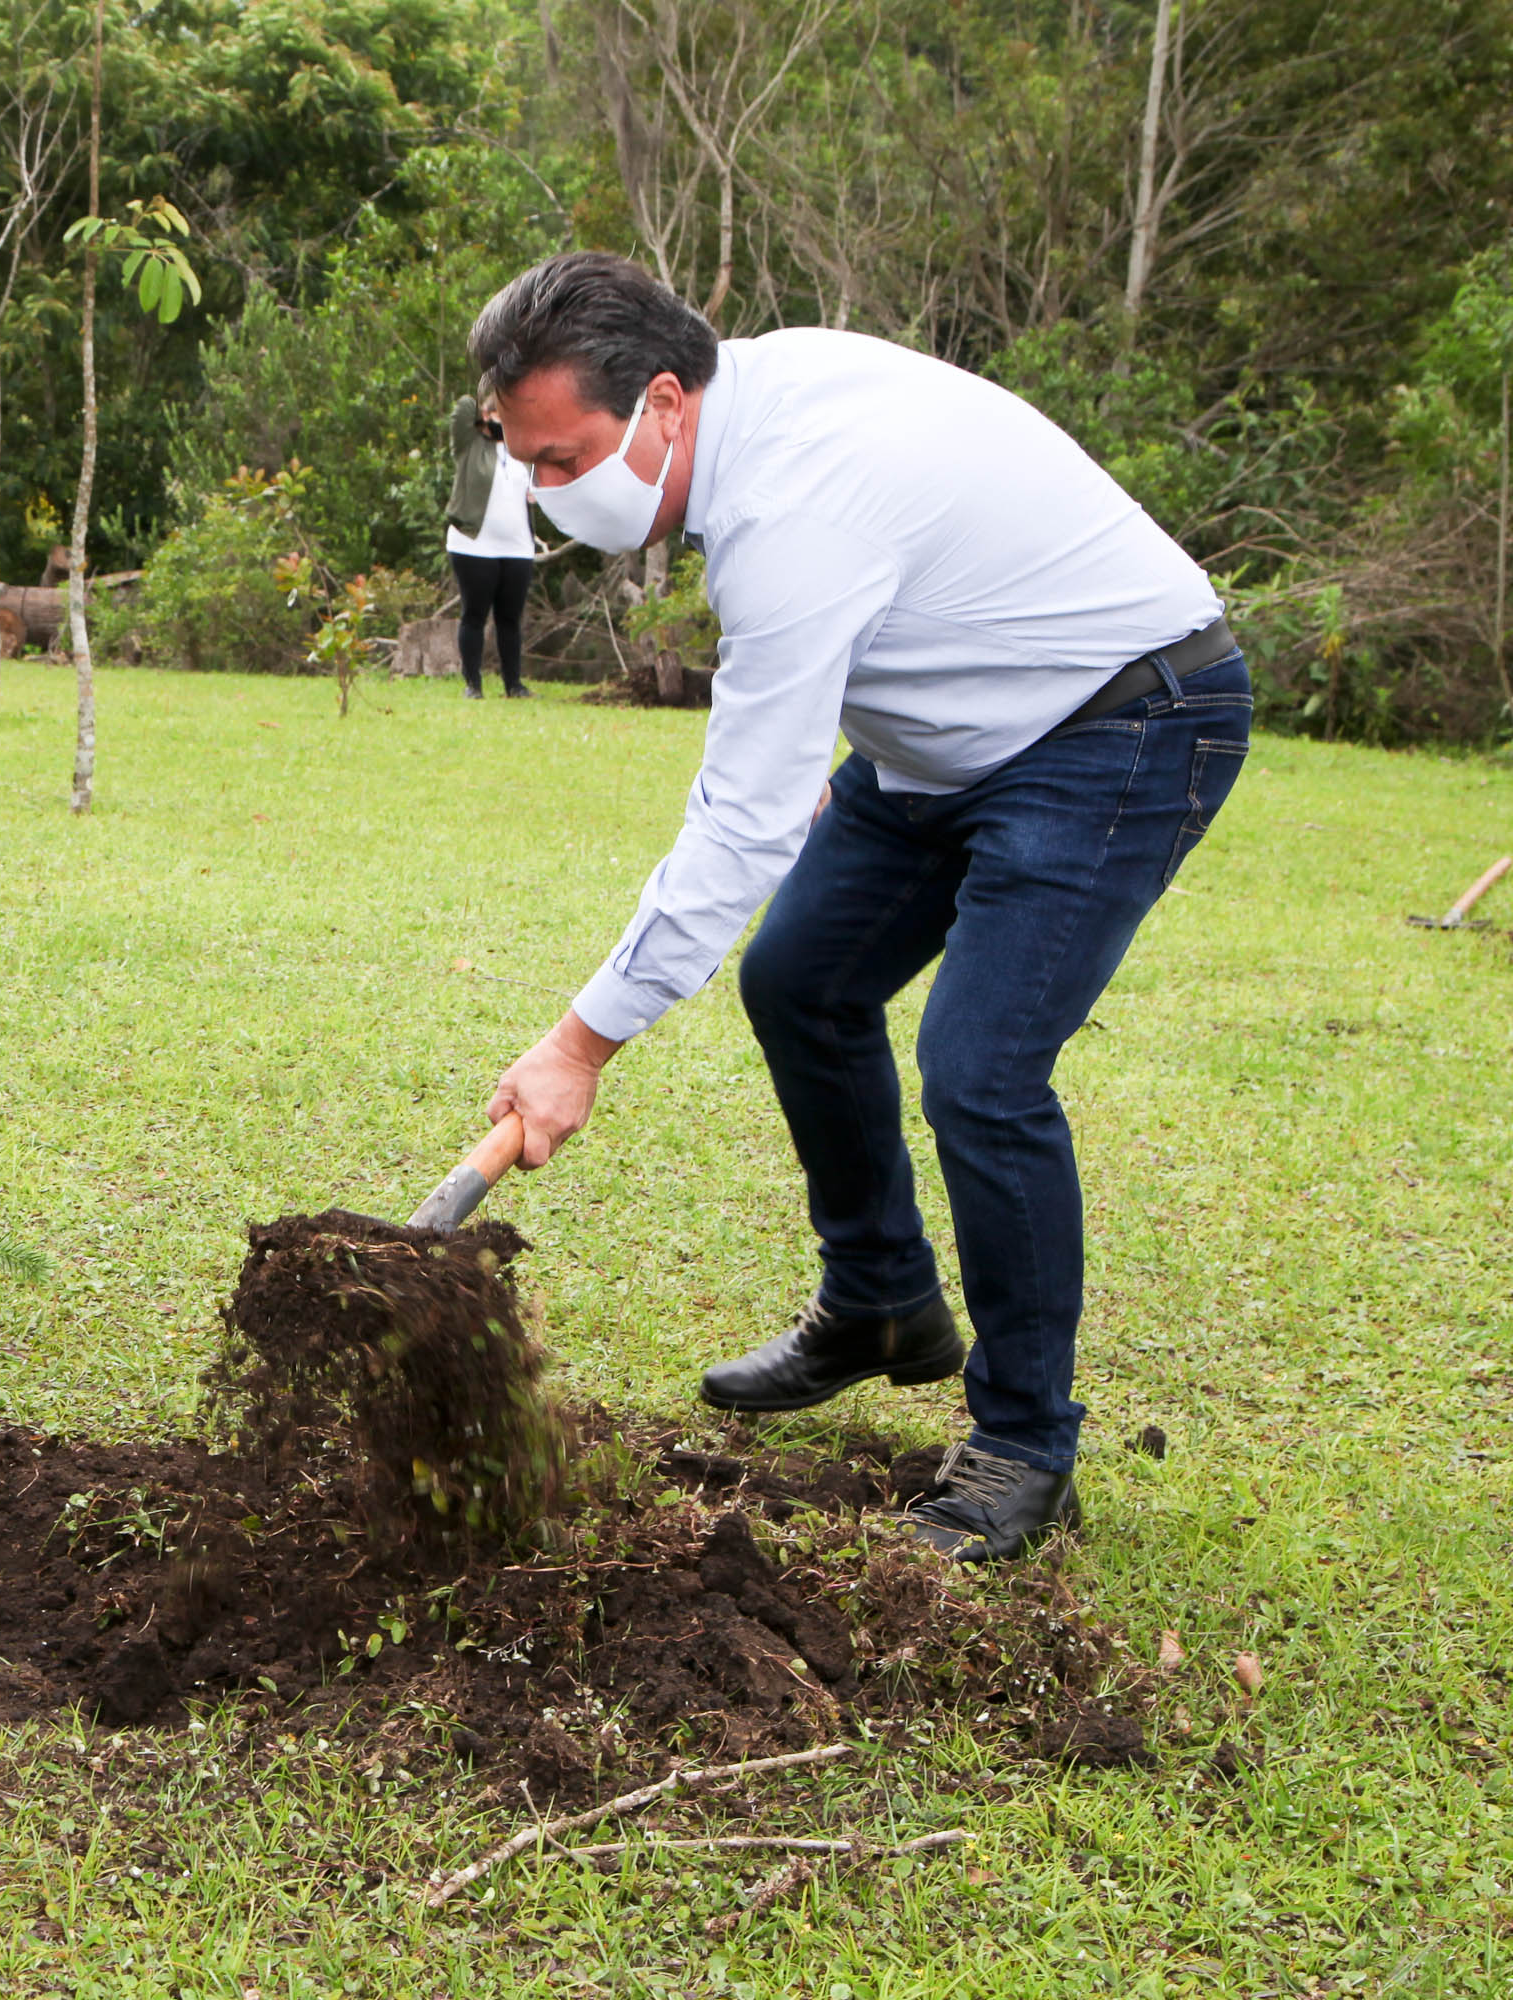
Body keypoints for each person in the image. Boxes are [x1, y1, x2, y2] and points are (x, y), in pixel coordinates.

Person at [471, 252, 1247, 1563]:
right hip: (942, 743)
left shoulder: (793, 508)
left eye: (566, 461)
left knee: (981, 1071)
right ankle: (882, 1301)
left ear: (664, 400)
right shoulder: (756, 407)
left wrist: (579, 1046)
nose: (549, 496)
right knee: (802, 979)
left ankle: (1023, 1451)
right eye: (528, 465)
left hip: (1122, 720)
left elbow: (743, 823)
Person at [444, 391, 536, 697]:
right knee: (474, 615)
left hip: (517, 546)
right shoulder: (469, 445)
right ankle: (473, 684)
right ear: (486, 416)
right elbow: (461, 408)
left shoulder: (522, 452)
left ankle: (514, 685)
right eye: (500, 417)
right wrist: (488, 403)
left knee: (509, 619)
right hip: (473, 545)